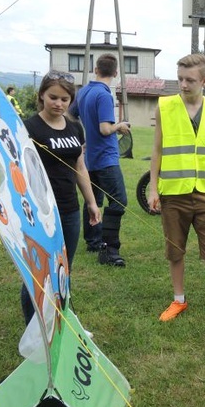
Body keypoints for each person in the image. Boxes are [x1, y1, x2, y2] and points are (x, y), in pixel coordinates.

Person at [148, 53, 205, 329]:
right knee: (175, 250)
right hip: (173, 192)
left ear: (204, 81)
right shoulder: (164, 106)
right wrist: (153, 186)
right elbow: (158, 149)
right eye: (180, 79)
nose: (183, 85)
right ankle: (178, 299)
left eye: (190, 80)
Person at [21, 71, 101, 324]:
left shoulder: (75, 127)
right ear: (41, 96)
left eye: (65, 99)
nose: (58, 103)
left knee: (64, 269)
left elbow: (80, 167)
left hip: (69, 209)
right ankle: (34, 326)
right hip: (38, 210)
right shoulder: (28, 127)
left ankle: (59, 319)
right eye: (53, 97)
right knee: (39, 271)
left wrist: (91, 202)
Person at [71, 53, 129, 267]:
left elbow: (70, 116)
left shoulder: (84, 90)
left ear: (96, 69)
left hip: (89, 158)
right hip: (106, 158)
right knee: (119, 200)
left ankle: (93, 241)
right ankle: (109, 248)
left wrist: (80, 137)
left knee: (93, 200)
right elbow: (106, 129)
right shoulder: (105, 95)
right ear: (115, 73)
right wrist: (120, 126)